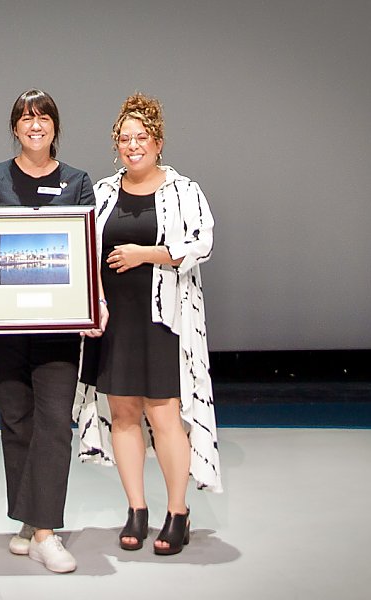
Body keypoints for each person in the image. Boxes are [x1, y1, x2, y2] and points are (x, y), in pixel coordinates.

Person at [0, 89, 99, 574]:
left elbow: (86, 249)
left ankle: (45, 532)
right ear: (15, 127)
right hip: (5, 324)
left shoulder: (78, 181)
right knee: (16, 418)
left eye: (43, 118)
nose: (35, 125)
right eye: (25, 117)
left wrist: (95, 301)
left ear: (56, 127)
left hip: (60, 325)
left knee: (55, 421)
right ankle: (27, 518)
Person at [75, 93, 222, 556]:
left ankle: (177, 511)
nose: (132, 145)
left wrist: (146, 255)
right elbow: (81, 249)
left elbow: (202, 244)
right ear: (115, 144)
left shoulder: (183, 191)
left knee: (163, 415)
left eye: (141, 138)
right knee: (121, 413)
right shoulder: (101, 192)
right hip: (113, 318)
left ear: (158, 143)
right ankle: (136, 508)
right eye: (124, 138)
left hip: (164, 320)